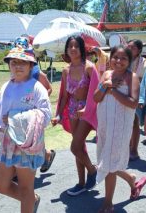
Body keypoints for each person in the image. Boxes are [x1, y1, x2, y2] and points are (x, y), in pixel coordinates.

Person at [0, 46, 51, 213]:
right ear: (9, 65)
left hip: (27, 144)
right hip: (6, 140)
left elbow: (45, 115)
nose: (18, 66)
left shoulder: (36, 87)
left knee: (26, 187)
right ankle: (31, 199)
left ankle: (28, 199)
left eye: (23, 63)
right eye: (14, 62)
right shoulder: (6, 87)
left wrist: (15, 117)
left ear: (31, 65)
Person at [94, 46, 146, 212]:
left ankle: (108, 203)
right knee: (107, 159)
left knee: (109, 161)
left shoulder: (132, 77)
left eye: (123, 58)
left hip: (120, 128)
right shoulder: (106, 75)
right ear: (110, 58)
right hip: (104, 124)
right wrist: (106, 85)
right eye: (115, 57)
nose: (118, 61)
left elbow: (133, 103)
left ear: (129, 61)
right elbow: (96, 97)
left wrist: (113, 91)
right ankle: (131, 179)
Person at [51, 36, 99, 196]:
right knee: (79, 147)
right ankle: (81, 183)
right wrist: (58, 115)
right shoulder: (65, 70)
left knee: (75, 146)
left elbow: (97, 93)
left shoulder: (90, 68)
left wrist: (87, 108)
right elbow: (64, 96)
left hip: (87, 111)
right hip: (72, 111)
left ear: (81, 49)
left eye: (76, 46)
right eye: (70, 46)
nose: (72, 49)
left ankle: (92, 171)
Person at [13, 36, 56, 173]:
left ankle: (45, 156)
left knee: (31, 140)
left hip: (33, 115)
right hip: (19, 114)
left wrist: (38, 105)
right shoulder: (15, 69)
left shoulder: (35, 71)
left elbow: (48, 88)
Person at [126, 39, 146, 159]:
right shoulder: (124, 59)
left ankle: (134, 150)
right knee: (126, 123)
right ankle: (127, 147)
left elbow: (145, 81)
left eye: (133, 48)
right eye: (128, 46)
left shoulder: (144, 63)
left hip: (136, 96)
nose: (130, 49)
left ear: (139, 50)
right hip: (123, 95)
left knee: (134, 122)